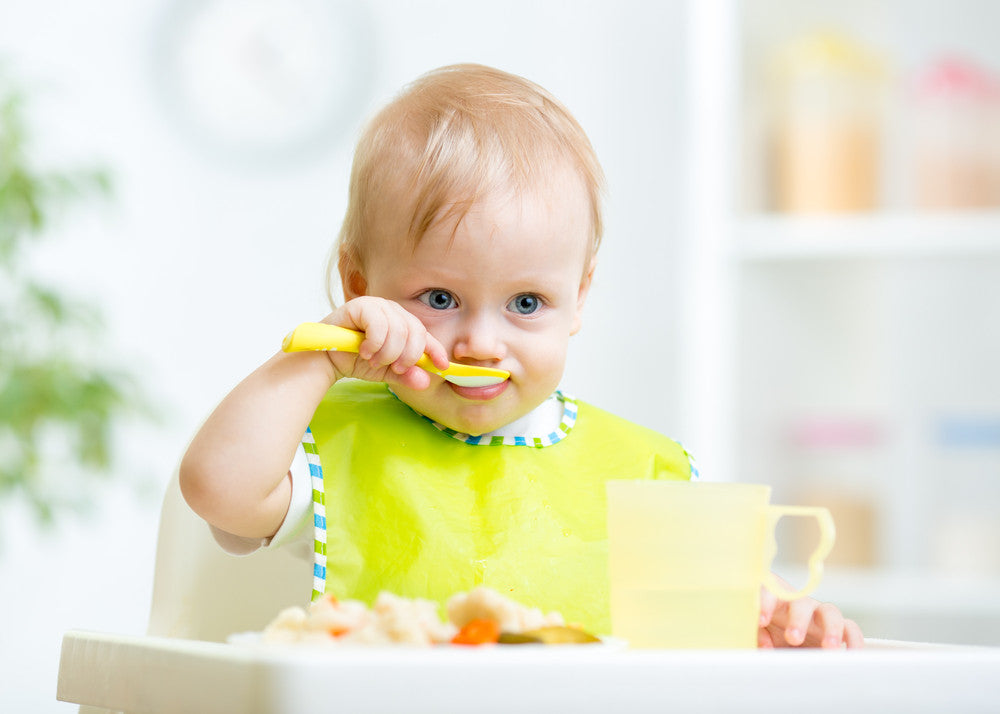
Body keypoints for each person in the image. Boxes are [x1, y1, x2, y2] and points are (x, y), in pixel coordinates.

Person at [180, 63, 863, 648]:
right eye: (439, 298)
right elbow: (217, 488)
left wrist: (777, 626)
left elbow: (719, 627)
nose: (481, 341)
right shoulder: (335, 443)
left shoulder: (642, 474)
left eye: (527, 303)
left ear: (579, 298)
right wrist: (319, 357)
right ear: (361, 287)